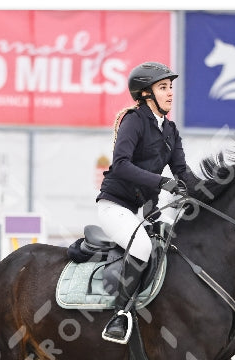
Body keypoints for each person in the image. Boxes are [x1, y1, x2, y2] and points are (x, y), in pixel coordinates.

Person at [96, 61, 198, 344]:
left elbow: (183, 173)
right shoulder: (134, 120)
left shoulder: (170, 130)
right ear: (145, 94)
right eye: (163, 88)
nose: (170, 93)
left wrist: (210, 191)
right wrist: (160, 182)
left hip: (141, 211)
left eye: (170, 88)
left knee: (171, 244)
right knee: (142, 247)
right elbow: (120, 165)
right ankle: (119, 315)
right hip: (114, 206)